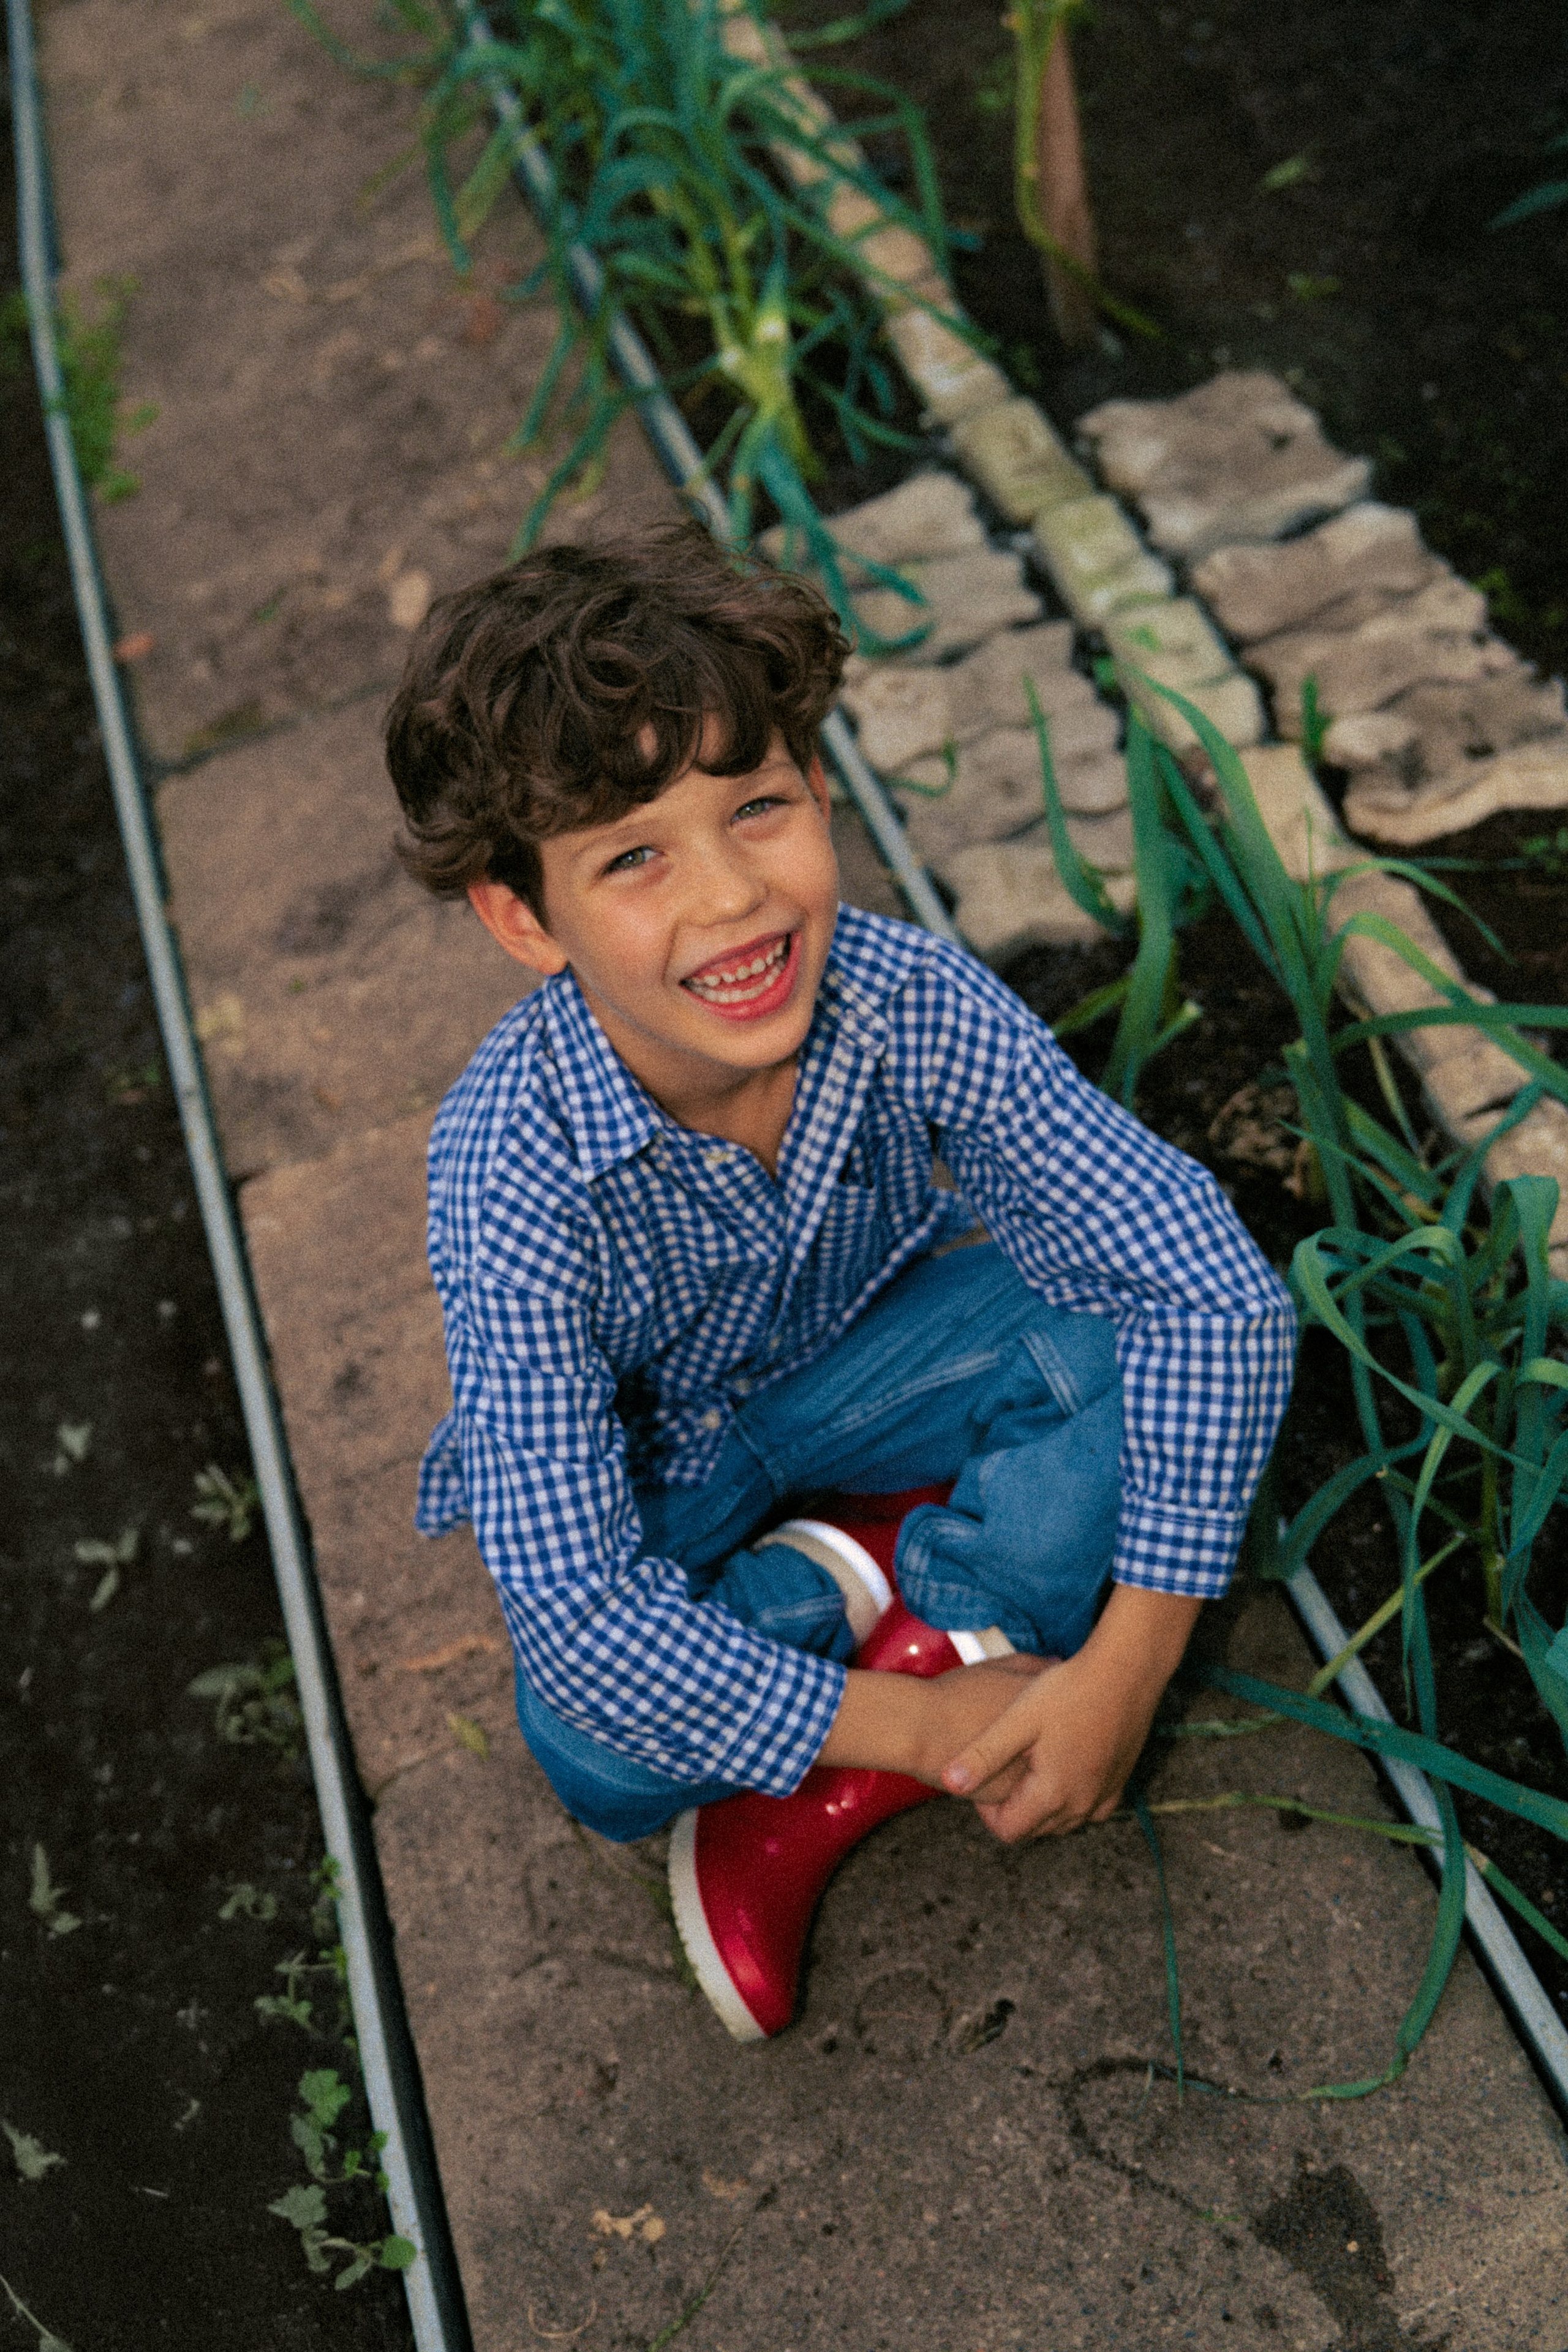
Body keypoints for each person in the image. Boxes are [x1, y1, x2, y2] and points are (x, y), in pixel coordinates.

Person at [384, 522, 1295, 2035]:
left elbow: (1206, 1286)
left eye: (757, 809)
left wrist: (1137, 1663)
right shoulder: (505, 1171)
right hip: (660, 1475)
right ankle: (897, 1623)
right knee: (595, 1753)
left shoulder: (903, 992)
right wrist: (924, 1720)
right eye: (632, 857)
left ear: (818, 787)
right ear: (520, 917)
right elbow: (581, 1615)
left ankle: (916, 1621)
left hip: (872, 1361)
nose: (733, 899)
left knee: (1160, 1337)